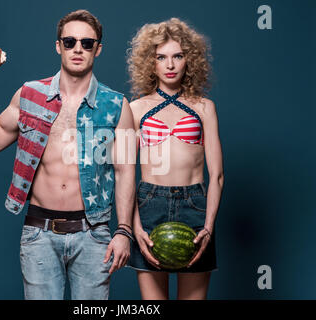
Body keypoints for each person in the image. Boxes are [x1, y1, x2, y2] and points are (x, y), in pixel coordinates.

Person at [0, 9, 135, 300]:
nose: (78, 49)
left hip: (93, 234)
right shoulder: (29, 94)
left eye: (87, 43)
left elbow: (125, 172)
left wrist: (123, 231)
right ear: (58, 46)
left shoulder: (118, 105)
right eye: (69, 42)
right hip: (38, 233)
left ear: (98, 49)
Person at [126, 18, 224, 300]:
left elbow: (216, 174)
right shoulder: (133, 109)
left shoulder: (205, 108)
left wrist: (208, 225)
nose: (170, 65)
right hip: (148, 205)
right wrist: (135, 225)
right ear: (150, 62)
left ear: (188, 60)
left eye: (177, 56)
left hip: (195, 205)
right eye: (161, 57)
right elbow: (124, 173)